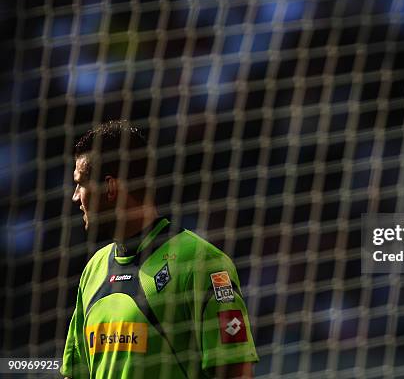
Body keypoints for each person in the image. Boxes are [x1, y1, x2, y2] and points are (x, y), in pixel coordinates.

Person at [61, 120, 258, 378]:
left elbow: (236, 372)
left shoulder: (200, 261)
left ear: (110, 187)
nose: (76, 196)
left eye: (80, 184)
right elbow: (74, 373)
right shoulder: (93, 270)